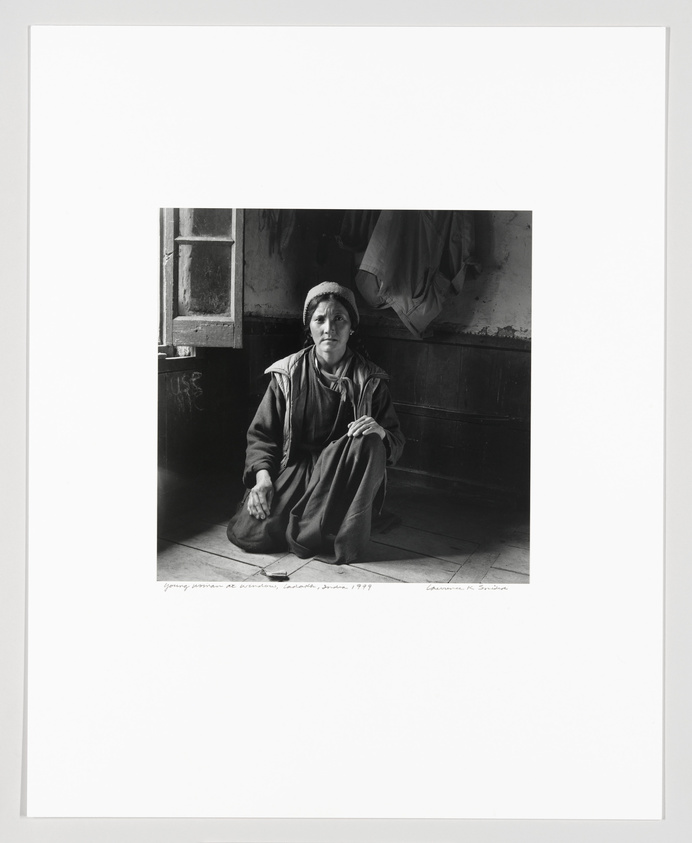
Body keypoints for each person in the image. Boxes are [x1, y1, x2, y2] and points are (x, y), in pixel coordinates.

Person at [227, 281, 405, 565]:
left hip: (341, 476)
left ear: (352, 327)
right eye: (319, 319)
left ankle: (340, 527)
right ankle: (321, 524)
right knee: (252, 535)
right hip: (296, 469)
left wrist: (380, 432)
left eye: (339, 319)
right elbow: (262, 436)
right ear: (309, 327)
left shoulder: (370, 380)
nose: (329, 328)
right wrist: (262, 481)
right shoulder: (287, 374)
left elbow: (396, 444)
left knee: (369, 440)